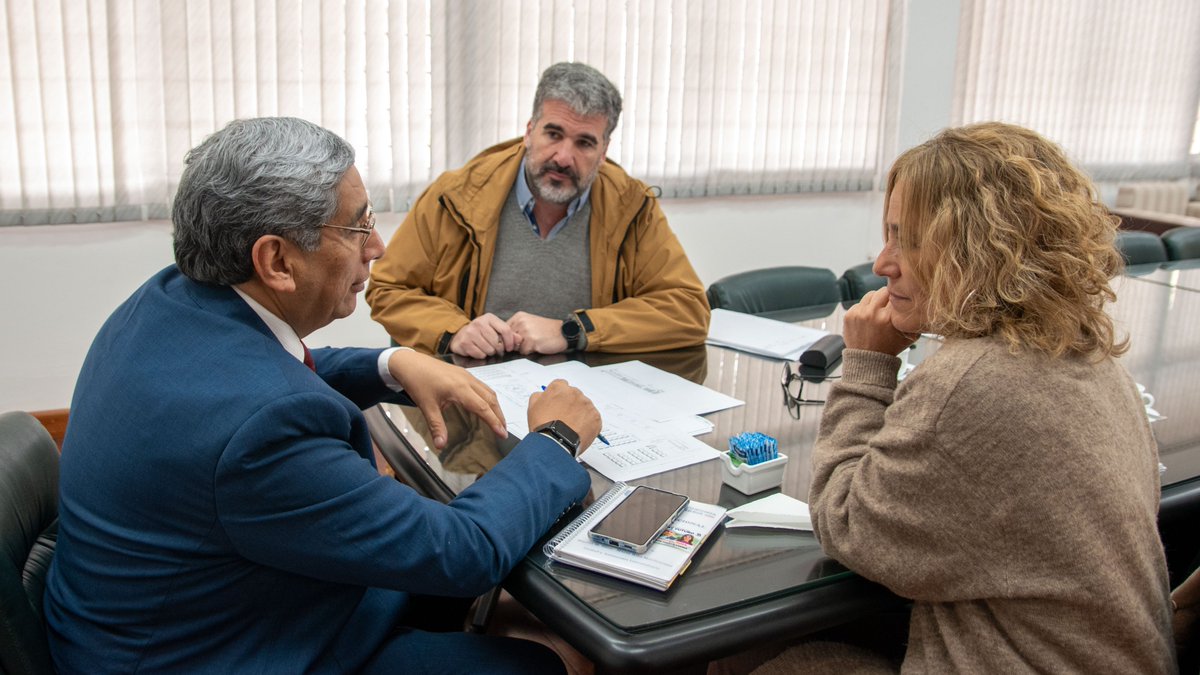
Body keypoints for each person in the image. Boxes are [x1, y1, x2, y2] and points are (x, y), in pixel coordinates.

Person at [44, 117, 602, 674]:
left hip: (177, 612)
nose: (378, 248)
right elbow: (463, 552)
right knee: (540, 665)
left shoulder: (170, 298)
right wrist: (555, 439)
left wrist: (393, 362)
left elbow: (266, 369)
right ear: (277, 261)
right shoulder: (259, 433)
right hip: (212, 652)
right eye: (359, 229)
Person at [757, 122, 1175, 673]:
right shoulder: (1086, 350)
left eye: (905, 239)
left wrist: (868, 364)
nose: (882, 264)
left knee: (758, 654)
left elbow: (845, 523)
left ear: (973, 249)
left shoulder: (971, 379)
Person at [366, 62, 710, 358]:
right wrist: (455, 330)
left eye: (585, 143)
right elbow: (389, 289)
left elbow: (687, 310)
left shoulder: (631, 206)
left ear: (604, 151)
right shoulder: (455, 196)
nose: (563, 157)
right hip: (471, 387)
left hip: (589, 393)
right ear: (529, 131)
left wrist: (572, 332)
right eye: (553, 134)